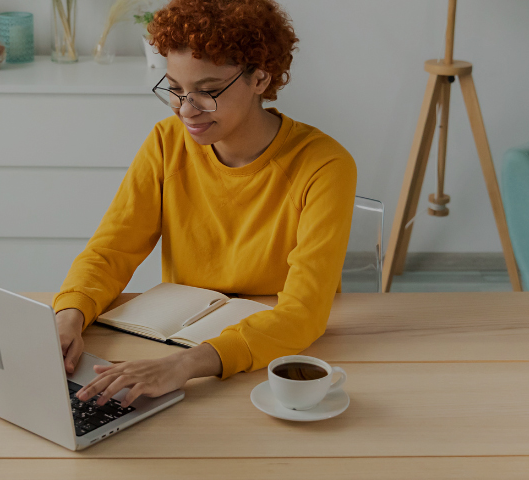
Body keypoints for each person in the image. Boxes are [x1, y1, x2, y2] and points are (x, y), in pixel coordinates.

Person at [53, 0, 357, 408]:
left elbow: (305, 311)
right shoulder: (165, 143)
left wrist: (181, 367)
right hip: (177, 338)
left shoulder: (325, 165)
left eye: (208, 92)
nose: (186, 110)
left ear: (260, 79)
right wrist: (68, 315)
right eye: (175, 90)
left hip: (276, 359)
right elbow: (111, 250)